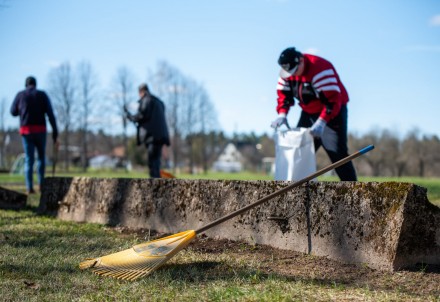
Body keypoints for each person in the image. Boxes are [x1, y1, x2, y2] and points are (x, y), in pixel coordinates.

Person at [271, 47, 357, 181]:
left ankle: (353, 188)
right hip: (308, 111)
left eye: (295, 71)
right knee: (300, 147)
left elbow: (333, 100)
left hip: (333, 112)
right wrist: (282, 114)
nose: (293, 75)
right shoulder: (287, 72)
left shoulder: (320, 69)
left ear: (300, 61)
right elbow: (284, 95)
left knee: (337, 152)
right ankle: (297, 189)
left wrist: (322, 121)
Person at [10, 76, 58, 193]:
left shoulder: (20, 95)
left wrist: (22, 111)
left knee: (29, 159)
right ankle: (41, 185)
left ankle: (29, 187)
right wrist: (55, 131)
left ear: (26, 85)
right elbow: (50, 114)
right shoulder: (42, 95)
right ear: (35, 84)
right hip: (40, 130)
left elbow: (12, 111)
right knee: (41, 158)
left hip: (26, 131)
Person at [125, 83, 170, 178]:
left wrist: (131, 117)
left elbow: (142, 115)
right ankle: (157, 182)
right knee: (156, 161)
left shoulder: (147, 100)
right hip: (161, 136)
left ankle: (154, 185)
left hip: (152, 136)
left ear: (141, 92)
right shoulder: (158, 101)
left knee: (152, 162)